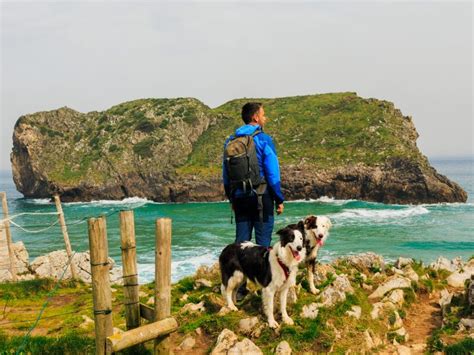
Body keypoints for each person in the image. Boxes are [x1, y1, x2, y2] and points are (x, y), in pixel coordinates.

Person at [222, 102, 285, 299]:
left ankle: (239, 290)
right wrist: (279, 198)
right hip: (261, 197)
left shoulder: (230, 141)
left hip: (239, 198)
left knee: (241, 243)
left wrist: (232, 197)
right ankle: (264, 287)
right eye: (263, 115)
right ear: (256, 117)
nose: (265, 118)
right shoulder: (264, 139)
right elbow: (272, 173)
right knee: (264, 245)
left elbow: (226, 175)